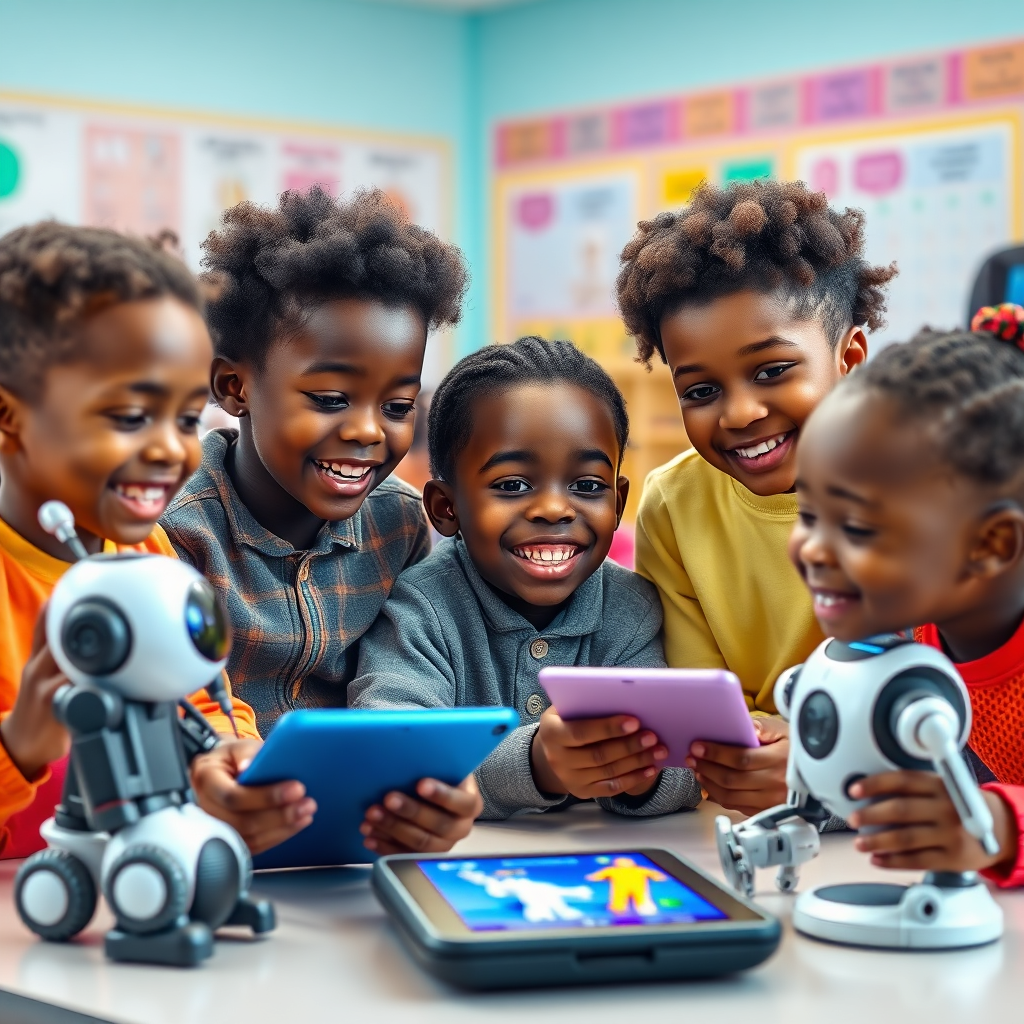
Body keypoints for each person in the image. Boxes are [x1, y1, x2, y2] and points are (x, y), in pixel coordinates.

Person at [162, 187, 481, 856]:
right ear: (234, 388)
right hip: (203, 844)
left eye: (397, 406)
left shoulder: (402, 526)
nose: (368, 432)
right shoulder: (174, 528)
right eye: (332, 398)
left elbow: (413, 688)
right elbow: (166, 715)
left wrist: (439, 791)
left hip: (354, 852)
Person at [0, 222, 300, 859]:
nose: (170, 448)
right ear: (10, 419)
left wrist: (226, 759)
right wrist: (18, 746)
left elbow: (204, 697)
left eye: (188, 418)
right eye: (132, 416)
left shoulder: (147, 558)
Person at [615, 179, 897, 815]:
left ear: (850, 356)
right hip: (746, 816)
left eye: (772, 371)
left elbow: (938, 696)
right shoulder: (674, 504)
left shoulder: (929, 488)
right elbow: (702, 698)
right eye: (700, 390)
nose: (740, 413)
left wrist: (820, 757)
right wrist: (744, 744)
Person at [349, 337, 701, 827]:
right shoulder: (421, 608)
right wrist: (536, 764)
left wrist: (641, 771)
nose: (555, 509)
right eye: (513, 485)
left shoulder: (632, 609)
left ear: (619, 503)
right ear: (446, 509)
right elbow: (385, 751)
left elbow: (689, 762)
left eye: (587, 486)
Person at [788, 308, 1024, 886]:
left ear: (990, 545)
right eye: (810, 514)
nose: (814, 549)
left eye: (859, 528)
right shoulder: (917, 632)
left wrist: (1000, 822)